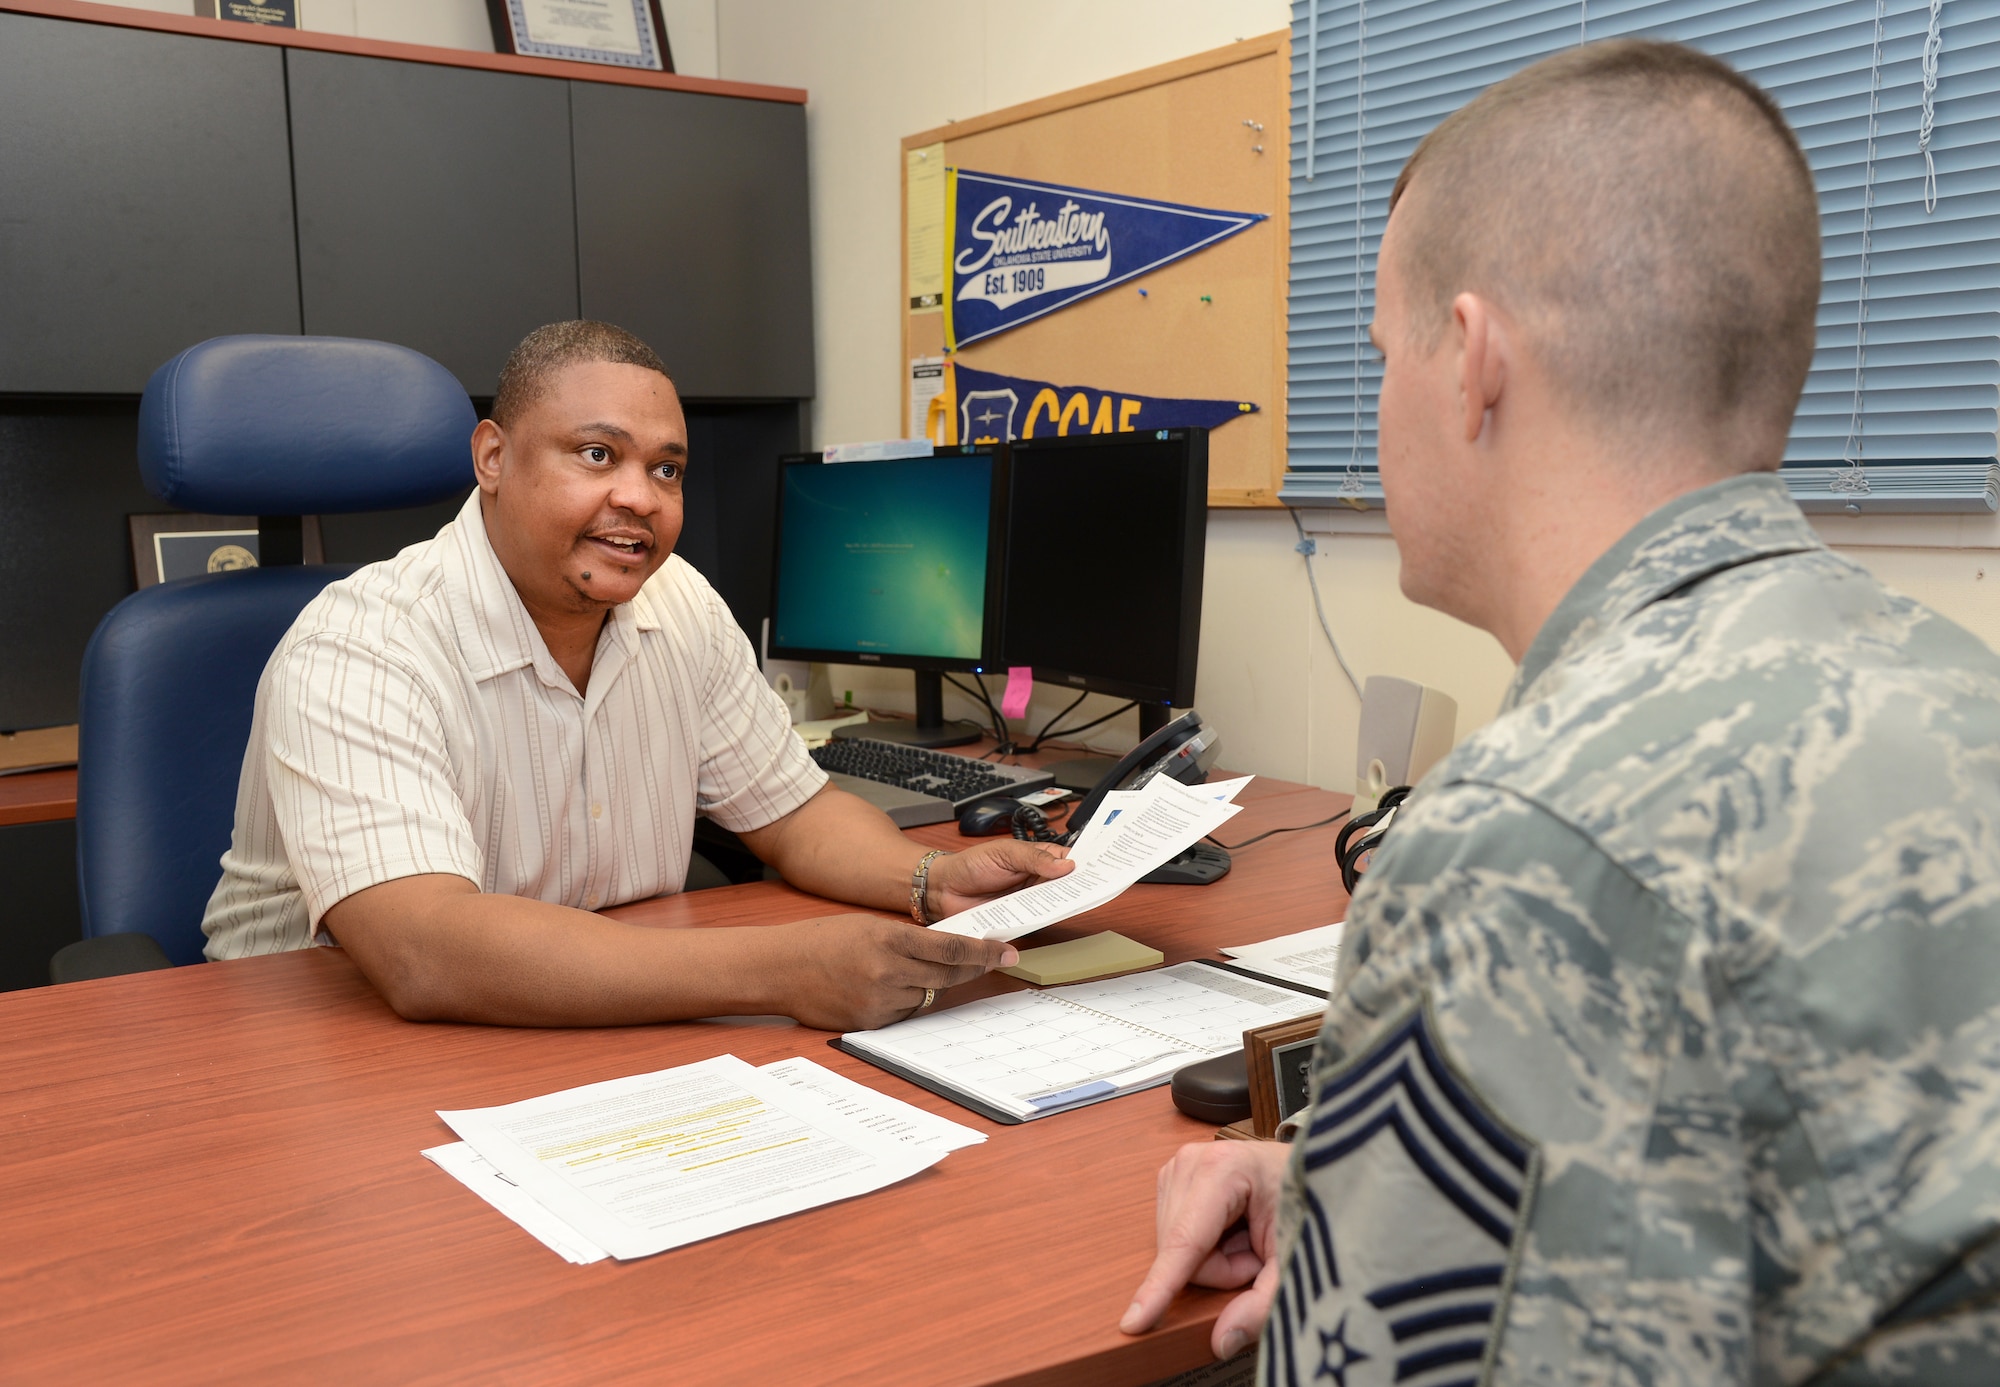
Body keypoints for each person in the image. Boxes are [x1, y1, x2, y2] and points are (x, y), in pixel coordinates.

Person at [1120, 40, 2000, 1385]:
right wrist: (1354, 1178)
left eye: (1380, 353)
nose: (1379, 401)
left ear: (1472, 359)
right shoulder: (1956, 686)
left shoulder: (1516, 843)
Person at [201, 320, 1071, 1030]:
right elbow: (425, 950)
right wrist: (787, 969)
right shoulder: (364, 641)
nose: (643, 498)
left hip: (594, 1018)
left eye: (666, 469)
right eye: (596, 455)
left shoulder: (678, 602)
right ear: (493, 457)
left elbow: (795, 814)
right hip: (314, 1042)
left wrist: (927, 878)